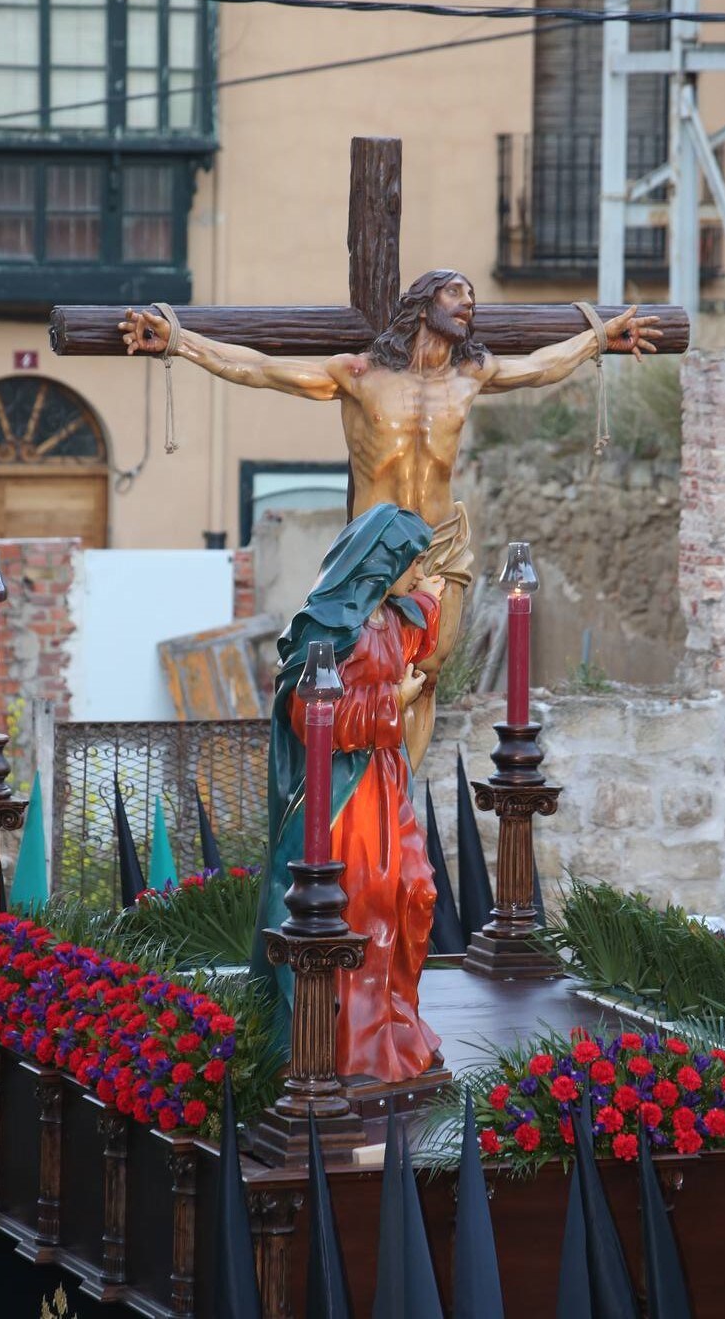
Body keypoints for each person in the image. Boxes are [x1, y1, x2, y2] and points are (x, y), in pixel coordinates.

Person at [119, 272, 661, 767]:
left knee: (425, 675)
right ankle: (351, 798)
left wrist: (598, 337)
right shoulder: (359, 374)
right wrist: (178, 341)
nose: (469, 302)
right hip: (375, 549)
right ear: (423, 306)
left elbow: (542, 366)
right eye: (455, 292)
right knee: (356, 676)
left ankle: (401, 792)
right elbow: (259, 369)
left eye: (472, 295)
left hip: (442, 542)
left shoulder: (472, 375)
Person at [257, 502, 444, 1083]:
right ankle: (351, 1046)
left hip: (386, 783)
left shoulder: (392, 613)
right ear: (381, 565)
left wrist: (437, 593)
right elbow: (313, 714)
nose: (418, 574)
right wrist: (398, 703)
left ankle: (394, 1024)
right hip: (343, 794)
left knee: (414, 892)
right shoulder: (328, 625)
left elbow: (421, 631)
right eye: (411, 563)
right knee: (364, 907)